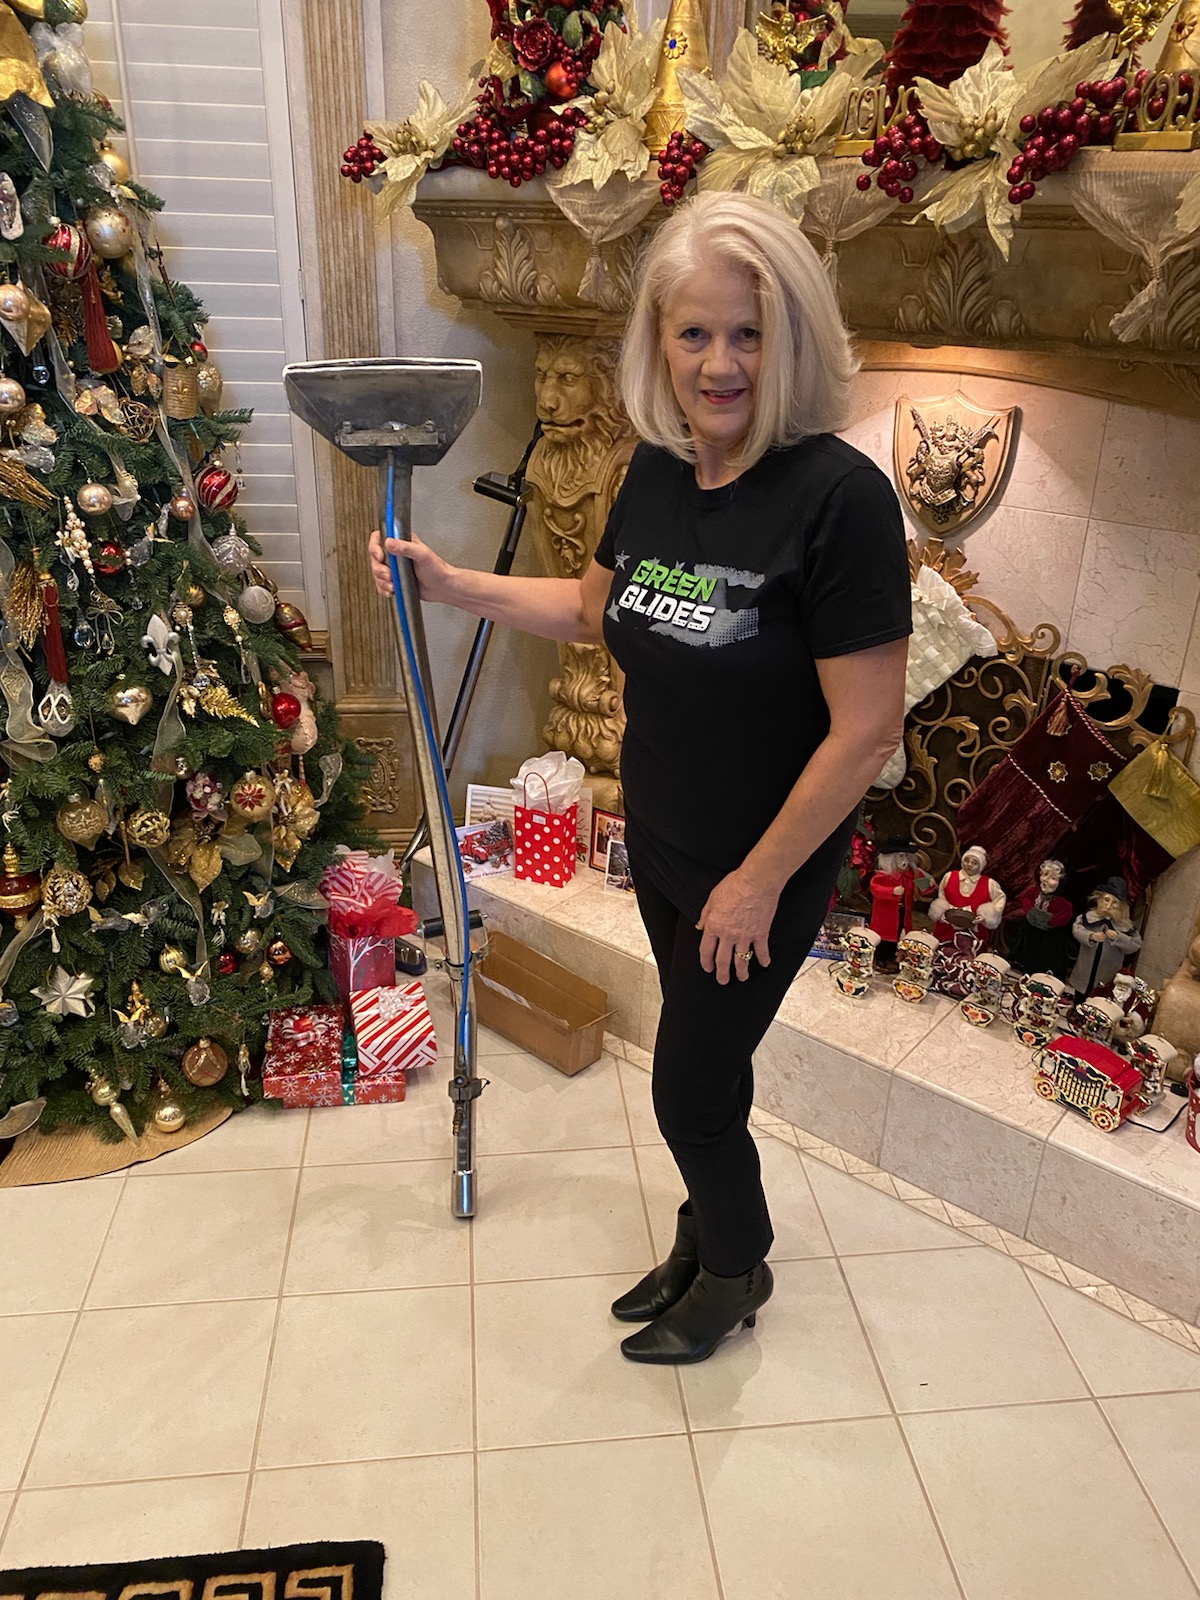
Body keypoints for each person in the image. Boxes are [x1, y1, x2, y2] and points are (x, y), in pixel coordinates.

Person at [368, 191, 911, 1364]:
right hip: (660, 840)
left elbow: (868, 731)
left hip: (756, 869)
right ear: (659, 341)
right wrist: (447, 583)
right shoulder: (659, 471)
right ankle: (706, 1234)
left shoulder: (840, 500)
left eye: (749, 333)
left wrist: (758, 883)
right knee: (708, 1064)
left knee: (687, 1090)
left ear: (793, 338)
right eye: (695, 332)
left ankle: (736, 1264)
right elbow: (589, 608)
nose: (721, 364)